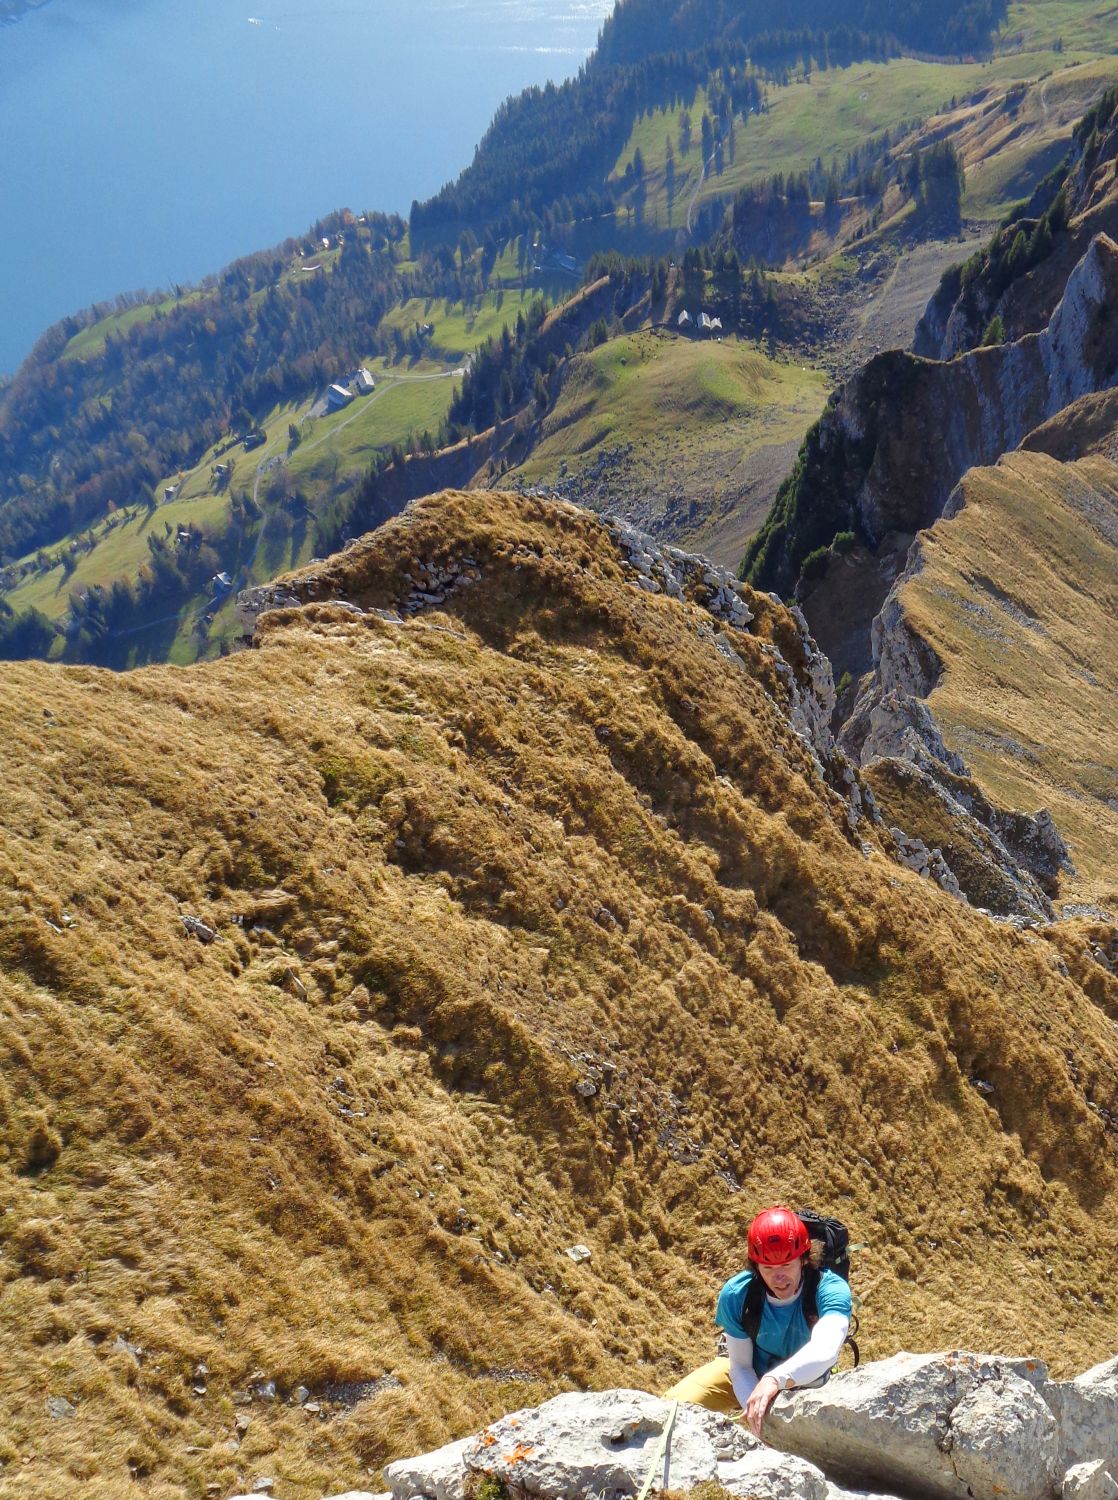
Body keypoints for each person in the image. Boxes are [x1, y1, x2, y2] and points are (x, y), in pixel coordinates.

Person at [664, 1206, 852, 1437]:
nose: (778, 1278)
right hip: (750, 1372)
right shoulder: (737, 1294)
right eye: (768, 1268)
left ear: (804, 1259)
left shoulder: (830, 1289)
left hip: (806, 1378)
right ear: (756, 1266)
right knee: (671, 1407)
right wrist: (756, 1412)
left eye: (786, 1265)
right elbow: (741, 1366)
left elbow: (825, 1350)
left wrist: (773, 1380)